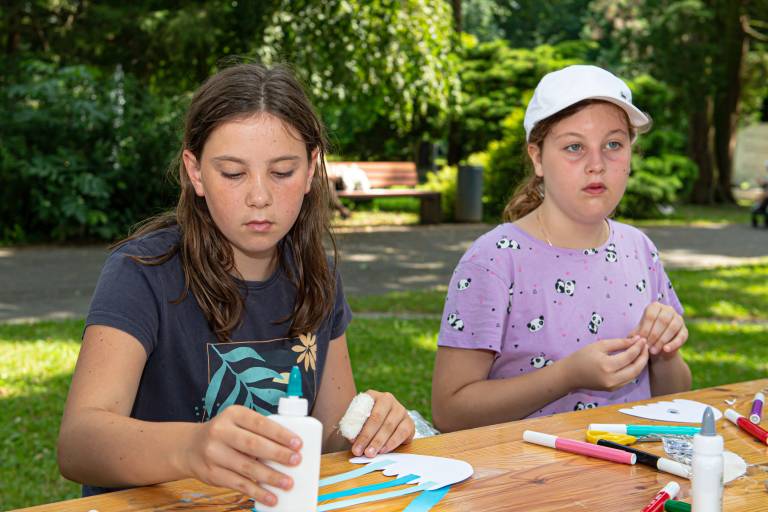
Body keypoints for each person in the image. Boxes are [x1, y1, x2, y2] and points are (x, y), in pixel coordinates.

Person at [57, 63, 414, 506]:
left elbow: (329, 436)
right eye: (232, 173)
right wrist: (191, 448)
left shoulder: (315, 275)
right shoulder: (142, 273)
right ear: (195, 172)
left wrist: (372, 427)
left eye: (282, 172)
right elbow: (79, 443)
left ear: (310, 170)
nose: (259, 196)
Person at [431, 65, 692, 433]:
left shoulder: (639, 249)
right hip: (530, 467)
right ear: (537, 158)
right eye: (574, 147)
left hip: (634, 463)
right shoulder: (494, 260)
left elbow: (675, 396)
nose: (596, 165)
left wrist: (666, 354)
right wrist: (567, 376)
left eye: (613, 145)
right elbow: (449, 412)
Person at [750, 159, 768, 228]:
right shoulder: (766, 176)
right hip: (765, 197)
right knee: (758, 201)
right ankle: (759, 211)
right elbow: (763, 185)